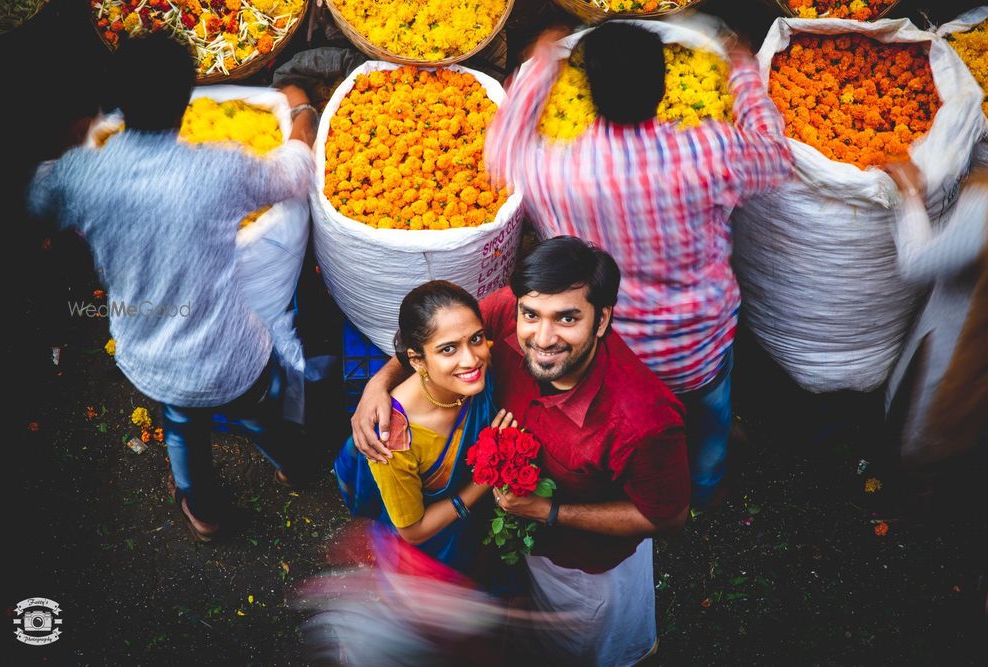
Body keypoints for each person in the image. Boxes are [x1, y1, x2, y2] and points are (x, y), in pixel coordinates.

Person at [485, 23, 794, 508]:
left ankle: (634, 495)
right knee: (708, 420)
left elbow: (501, 149)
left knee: (627, 431)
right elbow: (777, 157)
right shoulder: (706, 150)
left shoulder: (559, 168)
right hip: (698, 345)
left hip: (612, 356)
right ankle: (705, 487)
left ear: (590, 92)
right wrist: (743, 74)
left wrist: (539, 69)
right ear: (662, 88)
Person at [25, 33, 320, 542]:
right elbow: (293, 174)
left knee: (182, 428)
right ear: (187, 98)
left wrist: (72, 148)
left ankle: (204, 515)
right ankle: (294, 468)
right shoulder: (216, 168)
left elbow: (35, 197)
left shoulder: (82, 174)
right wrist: (302, 113)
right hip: (231, 356)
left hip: (151, 358)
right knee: (262, 413)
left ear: (112, 103)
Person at [352, 237, 690, 665]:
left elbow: (668, 516)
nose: (542, 337)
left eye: (567, 319)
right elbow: (440, 334)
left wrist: (548, 511)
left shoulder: (642, 421)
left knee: (592, 645)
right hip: (519, 545)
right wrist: (377, 386)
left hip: (583, 566)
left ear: (602, 319)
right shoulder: (514, 309)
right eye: (532, 316)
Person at [335, 281, 516, 577]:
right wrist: (486, 479)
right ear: (417, 360)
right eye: (448, 350)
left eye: (476, 339)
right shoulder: (393, 438)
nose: (471, 359)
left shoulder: (475, 374)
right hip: (439, 541)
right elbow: (414, 531)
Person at [884, 162, 987, 483]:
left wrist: (910, 193)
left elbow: (916, 263)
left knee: (923, 424)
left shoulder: (984, 208)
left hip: (956, 349)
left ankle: (914, 495)